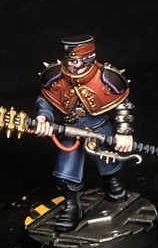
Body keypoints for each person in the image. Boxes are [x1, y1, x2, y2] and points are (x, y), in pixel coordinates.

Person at [33, 35, 135, 232]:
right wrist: (43, 118)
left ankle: (113, 184)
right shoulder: (56, 76)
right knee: (66, 173)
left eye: (76, 61)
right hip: (69, 132)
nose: (72, 66)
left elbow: (123, 105)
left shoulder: (106, 78)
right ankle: (73, 207)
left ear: (89, 58)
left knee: (109, 161)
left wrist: (124, 132)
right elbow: (46, 100)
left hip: (99, 130)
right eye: (70, 60)